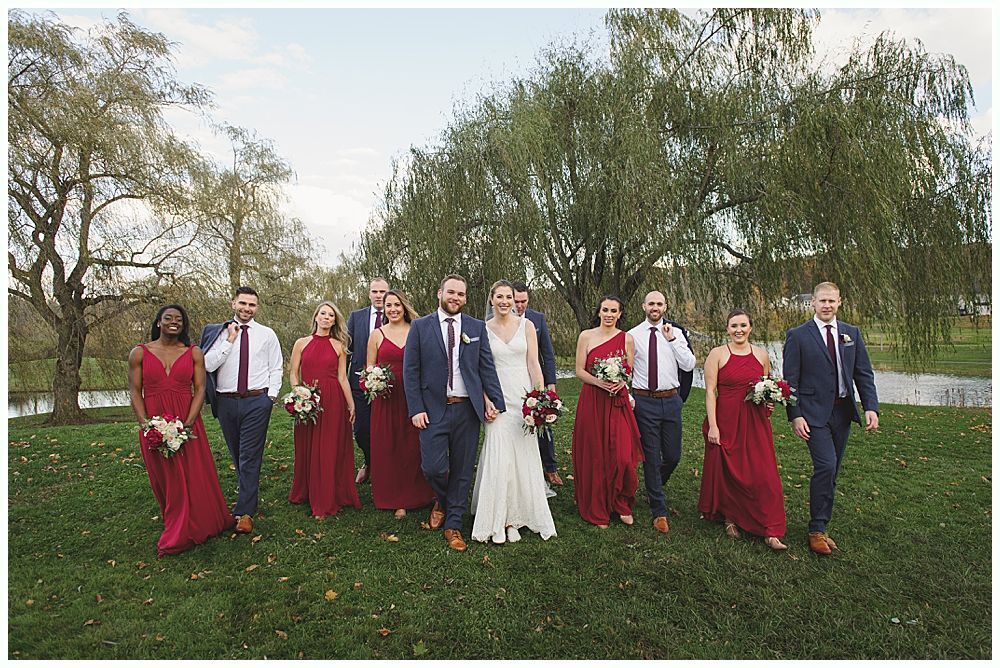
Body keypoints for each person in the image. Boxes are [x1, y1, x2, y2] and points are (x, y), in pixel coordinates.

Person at [402, 274, 506, 552]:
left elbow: (486, 368)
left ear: (465, 298)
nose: (455, 298)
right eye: (451, 292)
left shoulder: (475, 327)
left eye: (461, 294)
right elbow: (410, 372)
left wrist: (494, 401)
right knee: (433, 468)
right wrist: (416, 408)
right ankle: (444, 500)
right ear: (440, 293)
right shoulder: (421, 327)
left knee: (462, 469)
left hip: (466, 410)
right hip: (432, 410)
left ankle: (454, 525)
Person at [128, 305, 234, 556]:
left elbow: (199, 390)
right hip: (154, 421)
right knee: (166, 477)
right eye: (168, 318)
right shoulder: (139, 353)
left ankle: (194, 525)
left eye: (179, 319)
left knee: (192, 474)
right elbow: (134, 390)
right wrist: (146, 425)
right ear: (158, 323)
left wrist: (186, 425)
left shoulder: (193, 353)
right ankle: (175, 522)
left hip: (187, 421)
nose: (174, 322)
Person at [783, 281, 879, 555]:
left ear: (840, 303)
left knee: (833, 471)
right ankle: (815, 530)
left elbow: (863, 374)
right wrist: (795, 415)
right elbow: (790, 380)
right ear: (812, 302)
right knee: (825, 466)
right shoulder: (798, 335)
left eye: (831, 301)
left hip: (843, 412)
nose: (827, 305)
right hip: (813, 414)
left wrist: (870, 407)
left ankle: (822, 526)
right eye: (822, 300)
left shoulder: (851, 334)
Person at [471, 280, 557, 544]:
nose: (505, 301)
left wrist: (539, 400)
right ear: (491, 300)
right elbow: (480, 369)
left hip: (524, 399)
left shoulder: (527, 326)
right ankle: (501, 518)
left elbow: (533, 363)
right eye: (500, 296)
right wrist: (487, 399)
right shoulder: (483, 329)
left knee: (523, 454)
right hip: (498, 399)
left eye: (509, 296)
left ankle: (520, 516)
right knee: (500, 455)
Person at [698, 309, 788, 550]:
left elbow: (765, 386)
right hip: (726, 419)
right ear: (727, 328)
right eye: (734, 325)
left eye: (743, 325)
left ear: (750, 327)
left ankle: (771, 529)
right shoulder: (717, 354)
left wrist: (769, 400)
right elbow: (710, 392)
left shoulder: (761, 355)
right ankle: (731, 517)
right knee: (730, 470)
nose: (739, 330)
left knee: (764, 473)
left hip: (755, 421)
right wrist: (713, 425)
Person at [201, 287, 283, 535]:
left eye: (252, 305)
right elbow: (206, 364)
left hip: (257, 401)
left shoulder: (267, 334)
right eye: (243, 303)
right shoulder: (219, 332)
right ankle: (246, 493)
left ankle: (244, 512)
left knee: (249, 455)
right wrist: (229, 341)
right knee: (237, 454)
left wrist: (270, 397)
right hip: (226, 402)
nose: (247, 308)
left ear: (257, 308)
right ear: (233, 303)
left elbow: (276, 367)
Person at [571, 296, 644, 528]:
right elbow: (579, 371)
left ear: (620, 314)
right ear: (599, 312)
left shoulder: (627, 339)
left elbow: (628, 371)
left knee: (622, 455)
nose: (609, 314)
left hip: (617, 401)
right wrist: (598, 382)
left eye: (614, 310)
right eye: (605, 310)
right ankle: (598, 506)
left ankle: (620, 502)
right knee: (596, 454)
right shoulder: (586, 336)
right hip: (593, 400)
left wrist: (622, 383)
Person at [627, 291, 696, 534]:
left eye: (659, 304)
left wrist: (673, 340)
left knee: (673, 455)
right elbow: (626, 368)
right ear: (643, 306)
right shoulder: (632, 335)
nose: (655, 307)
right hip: (645, 401)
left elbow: (689, 365)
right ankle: (659, 510)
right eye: (651, 303)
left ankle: (654, 485)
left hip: (671, 400)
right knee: (651, 456)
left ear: (665, 306)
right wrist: (629, 397)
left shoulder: (676, 332)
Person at [366, 290, 435, 519]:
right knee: (388, 445)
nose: (393, 309)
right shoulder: (376, 335)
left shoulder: (417, 329)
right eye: (388, 305)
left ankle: (417, 494)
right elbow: (368, 369)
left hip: (412, 396)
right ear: (383, 309)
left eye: (397, 304)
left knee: (412, 445)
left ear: (404, 306)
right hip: (385, 399)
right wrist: (373, 382)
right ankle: (394, 498)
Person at [287, 301, 361, 518]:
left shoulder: (339, 345)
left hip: (333, 400)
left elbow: (342, 377)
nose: (326, 318)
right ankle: (307, 491)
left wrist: (351, 404)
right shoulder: (301, 343)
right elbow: (293, 372)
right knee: (308, 445)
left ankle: (328, 495)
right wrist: (299, 393)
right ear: (316, 317)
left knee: (328, 447)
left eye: (331, 315)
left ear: (334, 321)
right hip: (308, 399)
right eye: (323, 314)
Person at [511, 281, 561, 493]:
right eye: (517, 301)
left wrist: (550, 383)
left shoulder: (537, 319)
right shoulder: (495, 319)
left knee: (543, 421)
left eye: (524, 301)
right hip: (511, 378)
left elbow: (546, 353)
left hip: (535, 377)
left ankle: (550, 467)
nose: (520, 305)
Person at [347, 278, 390, 485]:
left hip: (390, 384)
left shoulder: (396, 315)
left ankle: (385, 466)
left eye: (383, 291)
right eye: (375, 291)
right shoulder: (356, 317)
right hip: (359, 384)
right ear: (369, 293)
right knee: (362, 430)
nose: (379, 295)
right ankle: (369, 462)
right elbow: (347, 349)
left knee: (386, 429)